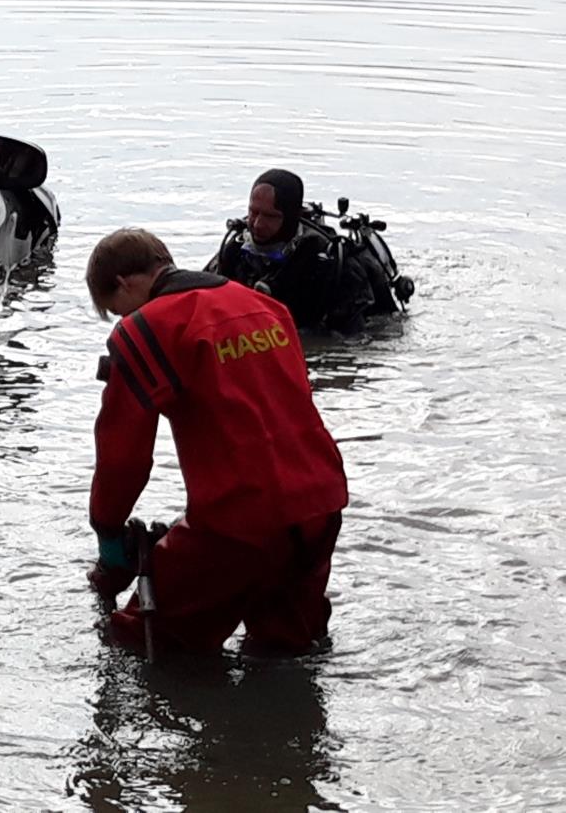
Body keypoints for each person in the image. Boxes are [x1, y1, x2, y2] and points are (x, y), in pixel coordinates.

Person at [85, 228, 347, 655]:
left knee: (135, 640)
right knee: (286, 648)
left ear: (124, 284)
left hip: (239, 521)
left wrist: (108, 531)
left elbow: (123, 457)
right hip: (321, 504)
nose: (122, 321)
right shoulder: (264, 306)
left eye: (117, 311)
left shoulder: (144, 331)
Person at [207, 169, 374, 335]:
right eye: (253, 212)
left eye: (270, 216)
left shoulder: (328, 263)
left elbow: (357, 338)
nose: (257, 224)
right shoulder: (235, 251)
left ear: (291, 217)